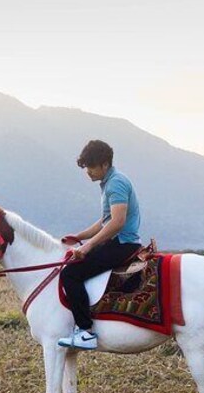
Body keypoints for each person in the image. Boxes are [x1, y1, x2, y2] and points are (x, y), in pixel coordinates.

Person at [58, 140, 142, 350]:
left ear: (105, 164)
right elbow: (105, 220)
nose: (88, 171)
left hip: (123, 243)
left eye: (91, 166)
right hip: (117, 241)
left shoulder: (116, 184)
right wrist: (79, 237)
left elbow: (117, 223)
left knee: (70, 274)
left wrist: (86, 247)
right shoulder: (109, 182)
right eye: (86, 167)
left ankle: (85, 332)